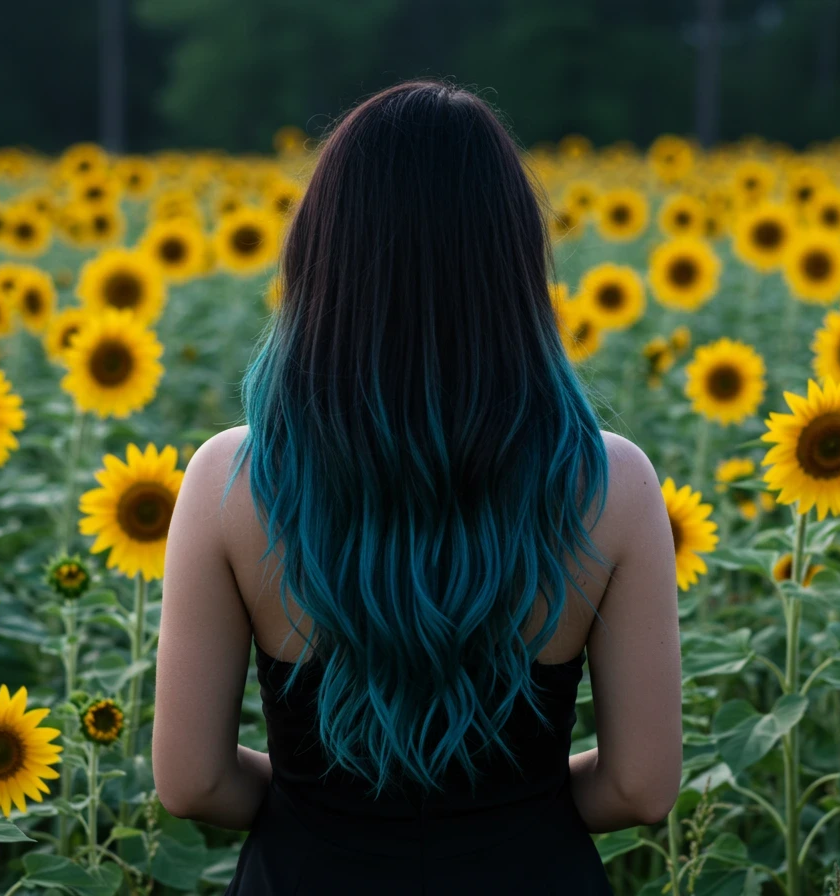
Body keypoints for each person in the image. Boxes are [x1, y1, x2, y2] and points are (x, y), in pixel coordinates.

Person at [153, 79, 682, 895]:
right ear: (513, 262)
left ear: (322, 254)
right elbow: (640, 787)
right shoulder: (610, 482)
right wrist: (518, 806)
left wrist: (314, 801)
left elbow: (191, 782)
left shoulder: (232, 480)